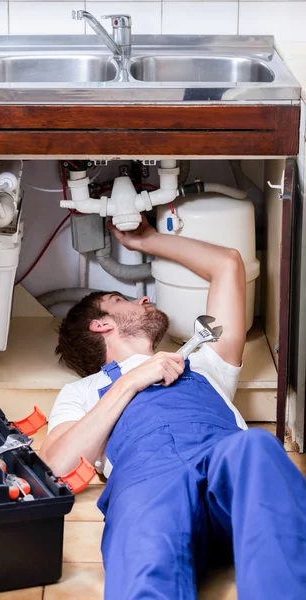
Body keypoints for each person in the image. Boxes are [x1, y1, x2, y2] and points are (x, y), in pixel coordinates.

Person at [40, 216, 306, 600]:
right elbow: (55, 466)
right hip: (147, 483)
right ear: (100, 325)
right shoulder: (82, 391)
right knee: (146, 561)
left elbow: (228, 264)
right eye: (123, 300)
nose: (143, 298)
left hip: (221, 459)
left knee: (258, 447)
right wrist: (132, 381)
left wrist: (147, 240)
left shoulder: (203, 357)